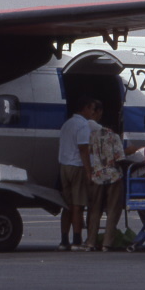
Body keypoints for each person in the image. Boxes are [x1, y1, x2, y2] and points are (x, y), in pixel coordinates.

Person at [57, 97, 100, 250]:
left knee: (67, 205)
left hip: (64, 166)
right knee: (78, 205)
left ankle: (64, 240)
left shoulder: (66, 124)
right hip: (77, 167)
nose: (93, 112)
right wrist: (89, 172)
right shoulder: (83, 126)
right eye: (92, 109)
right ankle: (76, 240)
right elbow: (83, 150)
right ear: (85, 109)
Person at [86, 112, 126, 251]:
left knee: (94, 210)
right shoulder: (114, 137)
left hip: (97, 175)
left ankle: (90, 242)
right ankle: (107, 243)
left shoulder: (93, 136)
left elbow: (89, 154)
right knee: (113, 211)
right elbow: (120, 158)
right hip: (113, 176)